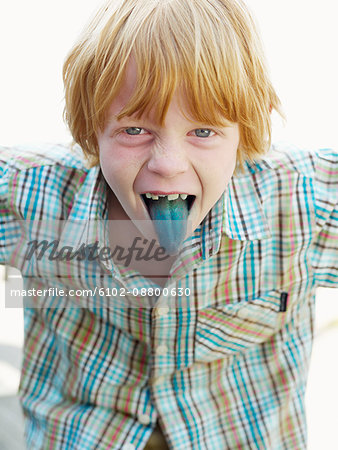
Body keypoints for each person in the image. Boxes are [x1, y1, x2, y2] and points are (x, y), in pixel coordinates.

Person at [0, 0, 337, 448]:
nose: (168, 165)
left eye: (203, 132)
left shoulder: (303, 201)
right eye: (135, 130)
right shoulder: (30, 195)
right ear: (91, 132)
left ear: (243, 135)